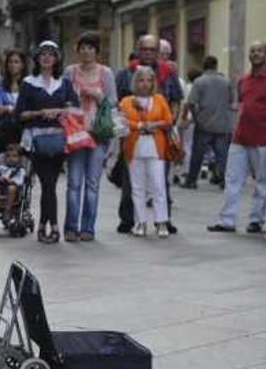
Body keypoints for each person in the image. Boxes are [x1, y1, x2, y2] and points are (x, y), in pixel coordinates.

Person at [208, 42, 266, 234]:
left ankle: (256, 220)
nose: (255, 54)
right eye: (252, 51)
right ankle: (226, 220)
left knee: (263, 181)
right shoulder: (243, 79)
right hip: (240, 136)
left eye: (259, 51)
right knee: (232, 179)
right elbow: (241, 103)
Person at [115, 35, 184, 234]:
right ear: (138, 50)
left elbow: (176, 99)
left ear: (157, 52)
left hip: (160, 136)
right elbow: (118, 104)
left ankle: (164, 220)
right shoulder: (126, 73)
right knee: (131, 182)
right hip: (131, 136)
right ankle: (130, 219)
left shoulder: (167, 72)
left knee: (160, 180)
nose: (148, 53)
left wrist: (172, 123)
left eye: (152, 50)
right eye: (144, 49)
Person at [15, 40, 79, 244]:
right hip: (35, 140)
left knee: (49, 184)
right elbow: (19, 114)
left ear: (57, 58)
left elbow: (75, 109)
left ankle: (45, 225)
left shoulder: (65, 84)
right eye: (43, 54)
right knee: (47, 183)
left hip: (59, 139)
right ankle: (53, 227)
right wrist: (40, 113)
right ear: (37, 58)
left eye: (51, 54)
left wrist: (59, 111)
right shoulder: (28, 83)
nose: (47, 57)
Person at [61, 32, 117, 242]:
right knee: (74, 182)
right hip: (76, 132)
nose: (86, 52)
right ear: (78, 50)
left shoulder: (106, 73)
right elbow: (63, 96)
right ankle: (70, 227)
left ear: (96, 51)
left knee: (92, 183)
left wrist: (97, 95)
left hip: (98, 133)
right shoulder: (70, 72)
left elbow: (112, 102)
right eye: (83, 48)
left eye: (91, 48)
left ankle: (88, 228)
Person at [119, 67, 175, 237]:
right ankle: (140, 221)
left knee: (158, 185)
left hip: (155, 146)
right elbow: (121, 121)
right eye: (141, 80)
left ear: (153, 83)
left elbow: (169, 120)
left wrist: (155, 125)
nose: (145, 84)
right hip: (134, 147)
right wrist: (139, 126)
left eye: (149, 80)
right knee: (137, 187)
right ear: (135, 82)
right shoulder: (127, 101)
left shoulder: (159, 99)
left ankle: (161, 222)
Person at [181, 56, 232, 189]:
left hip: (204, 123)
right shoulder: (225, 82)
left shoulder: (199, 82)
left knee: (197, 154)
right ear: (216, 66)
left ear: (204, 66)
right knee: (222, 155)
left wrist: (196, 117)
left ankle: (191, 181)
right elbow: (231, 100)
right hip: (222, 123)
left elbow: (191, 102)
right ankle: (226, 181)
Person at [0, 49, 28, 157]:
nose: (13, 65)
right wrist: (14, 109)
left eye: (16, 62)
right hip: (4, 130)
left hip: (23, 130)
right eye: (10, 62)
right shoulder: (0, 85)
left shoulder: (29, 83)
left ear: (23, 65)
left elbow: (29, 107)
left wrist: (8, 108)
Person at [0, 144, 27, 231]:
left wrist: (11, 181)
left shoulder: (20, 170)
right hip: (0, 189)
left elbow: (20, 181)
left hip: (14, 192)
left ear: (19, 158)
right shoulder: (1, 168)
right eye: (8, 156)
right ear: (5, 158)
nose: (11, 158)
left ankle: (7, 211)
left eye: (14, 156)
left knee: (11, 188)